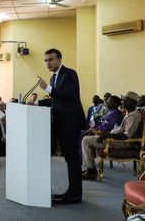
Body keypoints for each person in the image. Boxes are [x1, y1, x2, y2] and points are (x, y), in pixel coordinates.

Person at [38, 48, 85, 204]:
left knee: (72, 159)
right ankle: (71, 192)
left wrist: (47, 89)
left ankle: (75, 194)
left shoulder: (70, 74)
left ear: (59, 59)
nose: (48, 63)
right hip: (61, 122)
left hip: (71, 122)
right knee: (68, 158)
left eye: (51, 59)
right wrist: (37, 103)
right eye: (45, 60)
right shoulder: (53, 79)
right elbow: (56, 101)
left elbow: (69, 95)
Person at [81, 91, 142, 180]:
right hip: (116, 138)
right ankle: (90, 169)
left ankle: (91, 171)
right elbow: (120, 130)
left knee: (86, 140)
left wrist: (107, 136)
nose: (123, 102)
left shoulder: (134, 115)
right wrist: (106, 134)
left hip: (121, 143)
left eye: (126, 101)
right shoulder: (129, 113)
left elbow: (126, 136)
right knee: (87, 137)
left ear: (133, 103)